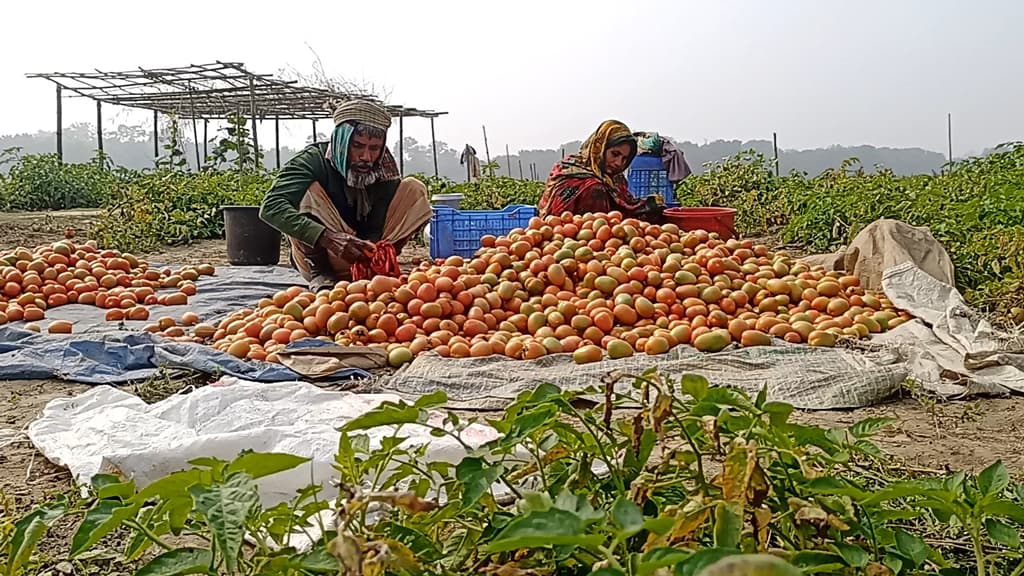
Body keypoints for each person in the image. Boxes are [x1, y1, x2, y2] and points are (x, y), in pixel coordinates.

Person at [259, 99, 432, 292]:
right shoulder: (312, 161)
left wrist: (374, 253)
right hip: (323, 254)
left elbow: (378, 223)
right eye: (357, 145)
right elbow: (271, 207)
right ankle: (321, 273)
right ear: (341, 140)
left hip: (361, 256)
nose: (366, 157)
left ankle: (380, 268)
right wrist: (327, 237)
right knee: (308, 191)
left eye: (374, 148)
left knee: (413, 189)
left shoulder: (383, 168)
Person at [538, 120, 665, 222]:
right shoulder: (575, 174)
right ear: (599, 148)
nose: (618, 163)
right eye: (615, 154)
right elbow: (604, 226)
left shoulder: (614, 178)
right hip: (565, 241)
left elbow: (625, 207)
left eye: (624, 158)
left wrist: (649, 205)